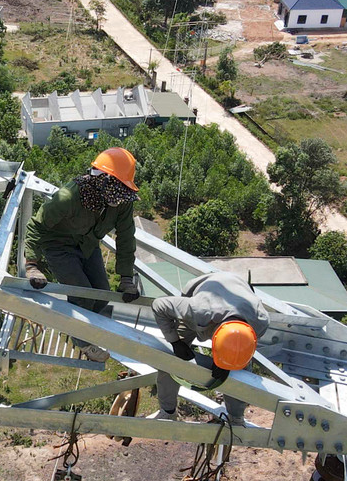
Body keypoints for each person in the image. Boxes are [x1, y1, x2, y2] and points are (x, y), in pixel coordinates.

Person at [25, 147, 140, 361]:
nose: (119, 197)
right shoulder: (69, 196)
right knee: (83, 296)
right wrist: (32, 265)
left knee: (102, 293)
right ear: (103, 181)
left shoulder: (119, 201)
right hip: (59, 247)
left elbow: (126, 237)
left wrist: (126, 277)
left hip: (88, 245)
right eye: (117, 189)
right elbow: (36, 226)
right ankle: (84, 343)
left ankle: (78, 328)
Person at [147, 271, 270, 423]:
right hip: (203, 292)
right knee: (171, 361)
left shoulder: (260, 322)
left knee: (240, 374)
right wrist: (175, 342)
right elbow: (159, 305)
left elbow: (239, 353)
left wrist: (228, 364)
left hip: (238, 288)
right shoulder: (197, 310)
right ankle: (168, 411)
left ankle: (236, 417)